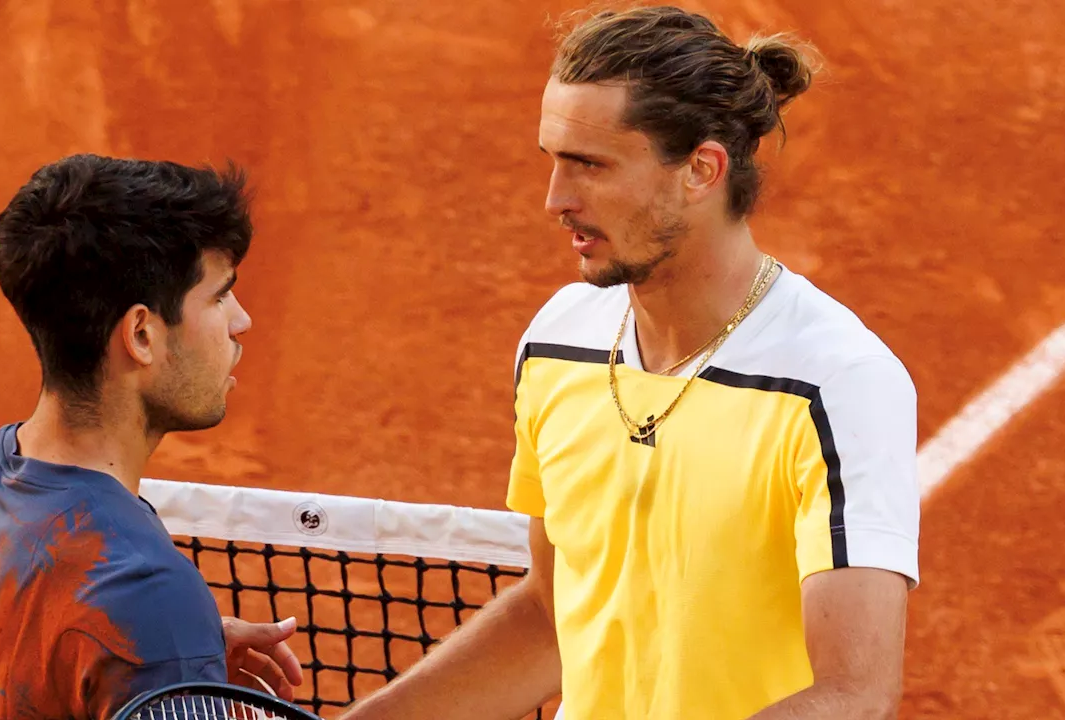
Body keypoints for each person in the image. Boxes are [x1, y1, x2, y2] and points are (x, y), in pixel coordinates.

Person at [342, 5, 919, 720]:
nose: (555, 199)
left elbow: (852, 695)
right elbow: (550, 620)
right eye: (552, 160)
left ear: (700, 171)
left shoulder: (833, 382)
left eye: (588, 165)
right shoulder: (559, 343)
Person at [0, 154, 304, 719]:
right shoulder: (147, 589)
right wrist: (163, 649)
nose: (241, 320)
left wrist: (149, 663)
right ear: (142, 335)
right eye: (220, 296)